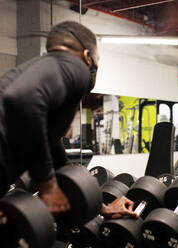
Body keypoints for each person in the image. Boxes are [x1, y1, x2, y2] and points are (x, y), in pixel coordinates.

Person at [0, 21, 137, 219]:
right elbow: (22, 99)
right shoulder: (75, 67)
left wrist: (103, 208)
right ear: (87, 56)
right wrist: (47, 184)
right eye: (97, 63)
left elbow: (58, 160)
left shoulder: (43, 69)